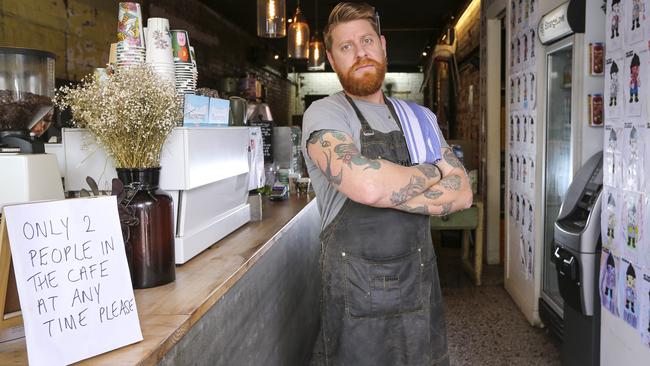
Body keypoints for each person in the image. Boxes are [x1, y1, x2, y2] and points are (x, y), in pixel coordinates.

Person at [300, 3, 473, 365]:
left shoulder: (420, 118)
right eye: (346, 47)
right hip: (355, 305)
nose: (360, 52)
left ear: (382, 45)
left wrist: (390, 189)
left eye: (366, 40)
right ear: (332, 60)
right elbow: (366, 186)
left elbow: (462, 193)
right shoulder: (328, 113)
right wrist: (434, 171)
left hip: (419, 295)